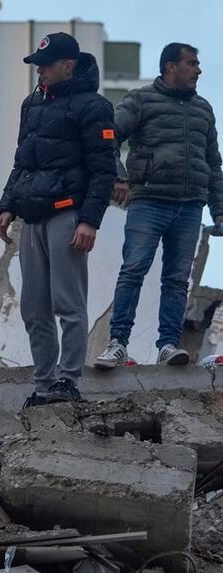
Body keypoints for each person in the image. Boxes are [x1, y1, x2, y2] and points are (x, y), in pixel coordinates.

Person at [0, 32, 116, 406]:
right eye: (38, 65)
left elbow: (103, 169)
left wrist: (90, 220)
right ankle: (44, 383)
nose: (41, 71)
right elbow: (22, 160)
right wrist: (6, 205)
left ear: (69, 65)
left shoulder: (94, 106)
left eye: (46, 65)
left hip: (68, 215)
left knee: (68, 303)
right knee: (33, 308)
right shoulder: (31, 105)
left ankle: (68, 379)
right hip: (30, 218)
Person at [95, 42, 223, 368]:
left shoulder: (203, 109)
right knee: (134, 270)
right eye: (192, 63)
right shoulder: (140, 100)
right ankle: (117, 343)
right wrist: (118, 177)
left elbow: (213, 163)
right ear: (170, 66)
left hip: (190, 206)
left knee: (177, 280)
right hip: (149, 202)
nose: (198, 69)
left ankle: (168, 345)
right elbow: (107, 135)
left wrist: (219, 209)